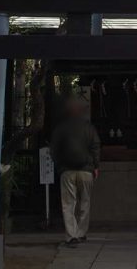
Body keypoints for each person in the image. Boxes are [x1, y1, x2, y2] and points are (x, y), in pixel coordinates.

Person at [52, 98, 101, 247]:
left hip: (67, 171)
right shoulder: (89, 128)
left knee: (68, 204)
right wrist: (95, 166)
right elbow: (96, 146)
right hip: (86, 170)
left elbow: (54, 150)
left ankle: (71, 235)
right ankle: (81, 233)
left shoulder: (61, 128)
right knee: (85, 202)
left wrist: (60, 166)